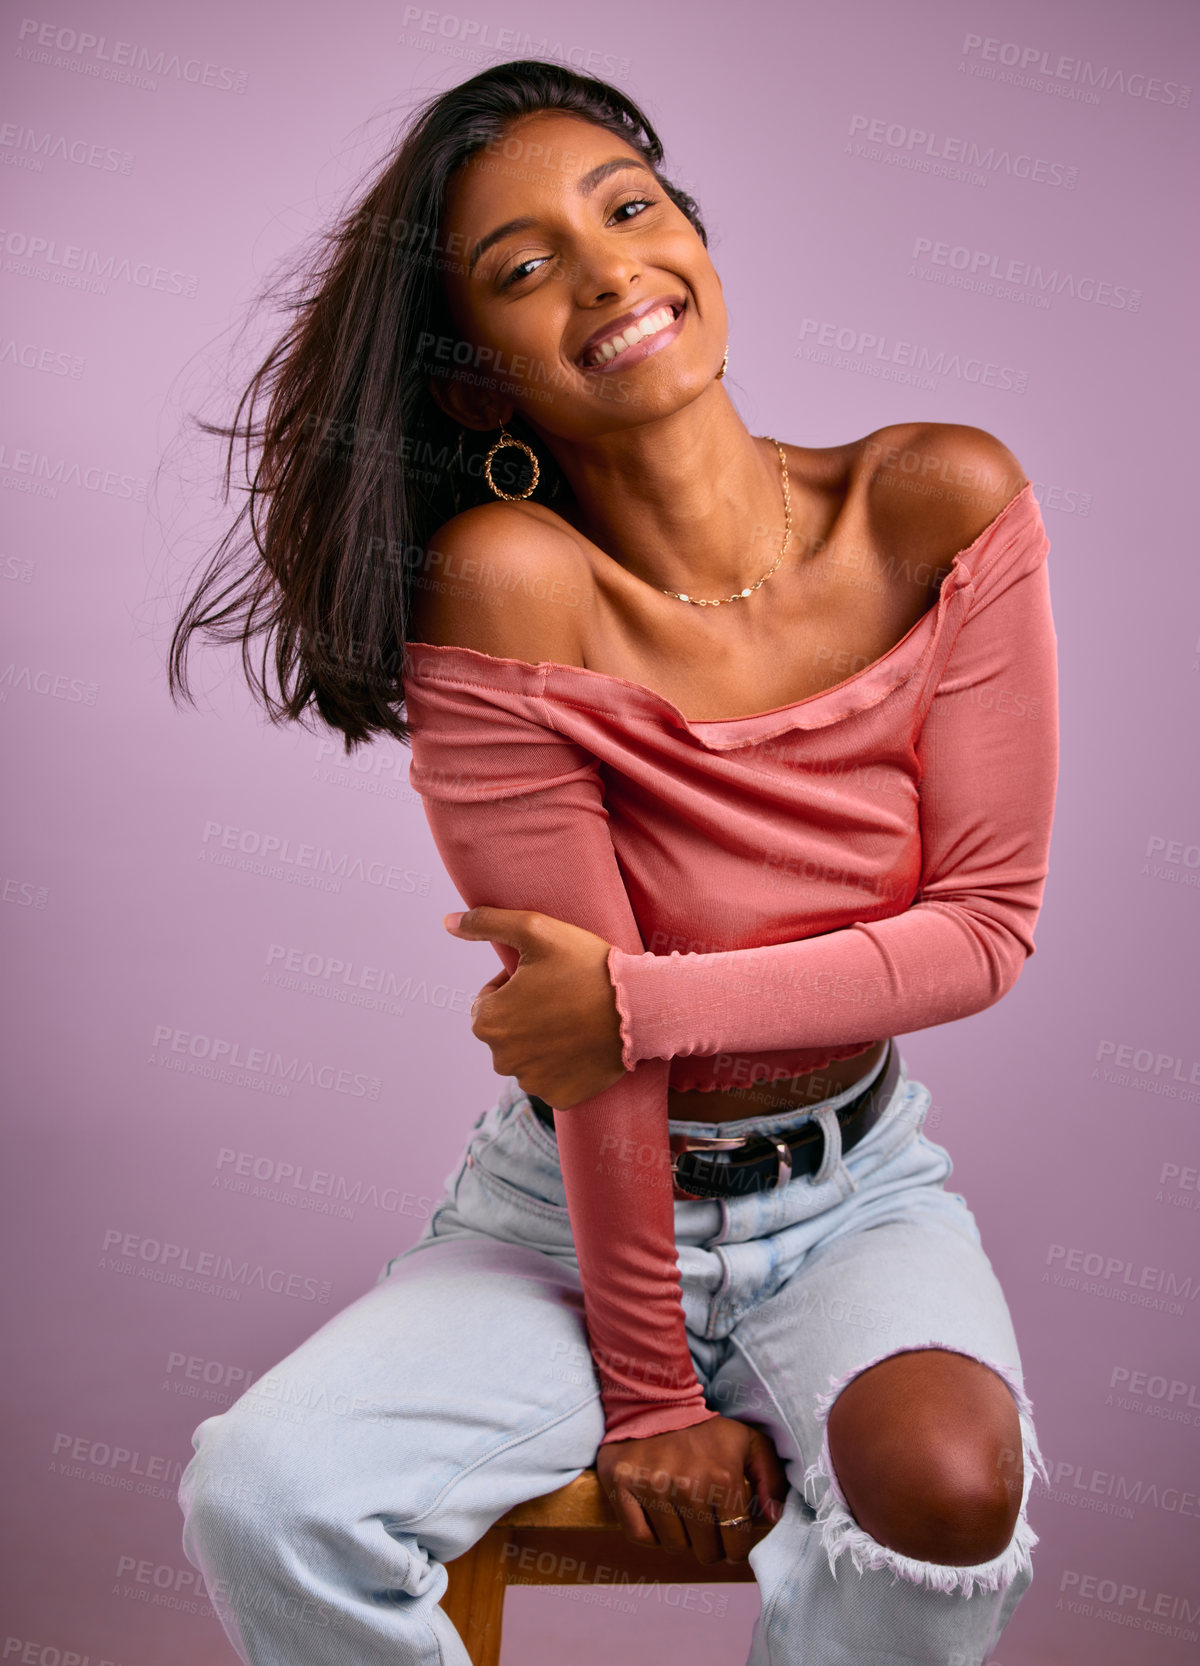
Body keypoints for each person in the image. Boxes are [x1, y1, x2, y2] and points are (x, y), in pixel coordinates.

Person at [169, 58, 1057, 1666]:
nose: (604, 274)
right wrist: (649, 1389)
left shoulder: (941, 499)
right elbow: (584, 1067)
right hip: (566, 1222)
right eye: (521, 271)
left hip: (854, 1191)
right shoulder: (510, 580)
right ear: (474, 388)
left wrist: (639, 1000)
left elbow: (982, 935)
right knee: (267, 1488)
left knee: (949, 1484)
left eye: (630, 211)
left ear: (698, 239)